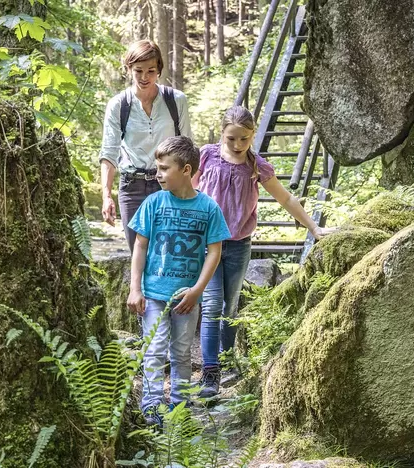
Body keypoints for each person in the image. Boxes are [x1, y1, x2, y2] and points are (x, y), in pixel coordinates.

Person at [192, 105, 334, 397]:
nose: (237, 145)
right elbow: (187, 193)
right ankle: (209, 373)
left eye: (244, 139)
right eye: (231, 138)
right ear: (223, 134)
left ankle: (227, 360)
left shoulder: (256, 166)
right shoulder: (206, 157)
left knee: (230, 306)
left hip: (239, 245)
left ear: (252, 135)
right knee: (213, 305)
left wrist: (314, 228)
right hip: (208, 244)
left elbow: (286, 198)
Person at [127, 136, 231, 426]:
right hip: (154, 293)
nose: (157, 174)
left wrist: (198, 291)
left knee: (182, 352)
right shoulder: (153, 203)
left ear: (186, 170)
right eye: (157, 168)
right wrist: (135, 288)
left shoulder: (208, 208)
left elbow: (215, 251)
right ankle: (150, 407)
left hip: (187, 297)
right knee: (154, 349)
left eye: (163, 168)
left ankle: (180, 408)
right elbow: (140, 246)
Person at [99, 39, 192, 252]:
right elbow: (109, 153)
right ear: (129, 69)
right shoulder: (118, 105)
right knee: (139, 254)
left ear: (159, 69)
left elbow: (188, 147)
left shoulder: (176, 101)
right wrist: (106, 195)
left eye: (151, 70)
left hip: (170, 184)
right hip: (132, 187)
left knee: (170, 253)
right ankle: (137, 287)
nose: (144, 77)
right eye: (138, 70)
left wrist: (191, 192)